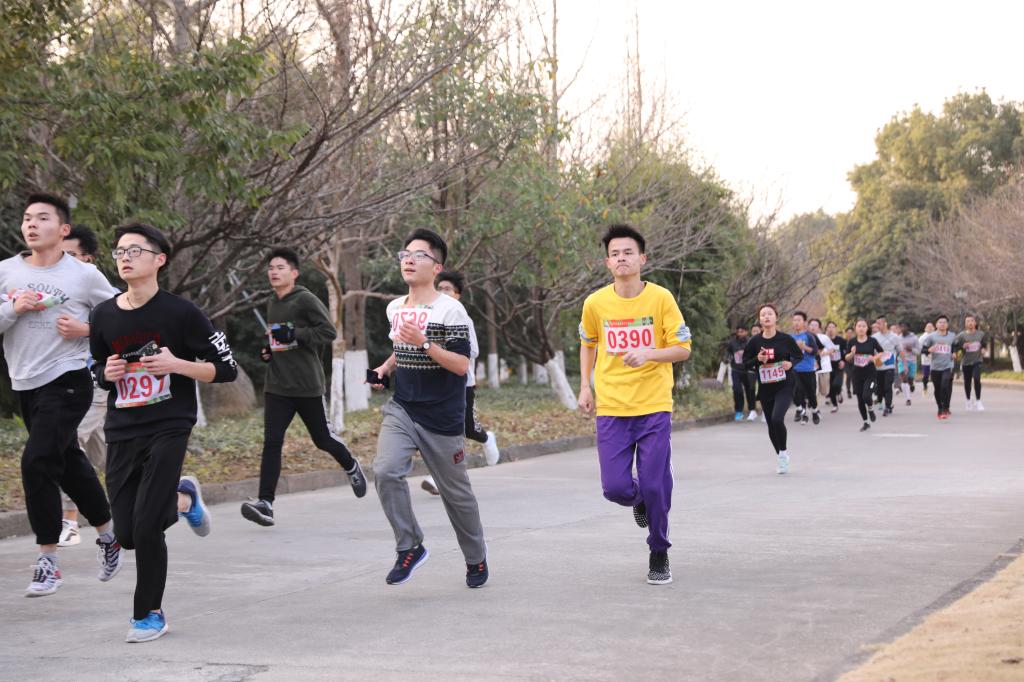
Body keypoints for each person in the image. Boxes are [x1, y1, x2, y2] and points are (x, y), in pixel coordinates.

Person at [90, 223, 238, 642]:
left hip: (169, 425)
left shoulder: (182, 314)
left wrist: (177, 365)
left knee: (148, 526)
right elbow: (97, 368)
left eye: (135, 250)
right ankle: (184, 497)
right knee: (127, 534)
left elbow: (226, 369)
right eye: (120, 251)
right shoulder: (102, 315)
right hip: (122, 427)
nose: (125, 257)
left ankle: (149, 614)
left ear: (160, 259)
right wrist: (106, 372)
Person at [0, 194, 122, 597]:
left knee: (37, 461)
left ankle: (48, 561)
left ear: (63, 229)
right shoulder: (6, 272)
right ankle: (109, 534)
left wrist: (87, 330)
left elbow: (121, 314)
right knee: (68, 462)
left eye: (42, 218)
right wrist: (14, 308)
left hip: (68, 379)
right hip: (25, 383)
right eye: (27, 218)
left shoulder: (83, 275)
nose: (32, 225)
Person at [368, 228, 489, 588]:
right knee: (386, 470)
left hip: (442, 417)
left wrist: (424, 344)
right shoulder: (395, 307)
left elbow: (461, 365)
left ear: (436, 267)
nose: (408, 260)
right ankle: (410, 546)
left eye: (419, 255)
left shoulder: (451, 310)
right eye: (405, 254)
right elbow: (400, 346)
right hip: (403, 408)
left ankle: (476, 558)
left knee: (456, 496)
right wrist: (384, 368)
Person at [577, 225, 692, 585]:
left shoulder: (661, 298)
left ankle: (659, 550)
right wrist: (584, 386)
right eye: (615, 254)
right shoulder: (595, 303)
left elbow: (683, 348)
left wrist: (649, 354)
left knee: (657, 484)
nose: (621, 258)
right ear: (607, 262)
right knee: (615, 488)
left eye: (628, 252)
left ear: (642, 258)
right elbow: (588, 343)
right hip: (612, 407)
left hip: (653, 404)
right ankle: (639, 498)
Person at [240, 247, 366, 526]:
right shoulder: (272, 302)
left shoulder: (305, 299)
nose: (274, 272)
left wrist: (293, 333)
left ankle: (350, 464)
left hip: (307, 385)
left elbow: (328, 332)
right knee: (272, 442)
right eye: (271, 268)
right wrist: (269, 351)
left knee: (322, 439)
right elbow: (279, 342)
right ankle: (265, 503)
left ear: (294, 273)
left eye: (280, 267)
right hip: (277, 386)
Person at [57, 225, 115, 547]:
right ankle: (179, 492)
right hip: (67, 384)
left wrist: (86, 329)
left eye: (71, 255)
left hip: (96, 382)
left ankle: (69, 521)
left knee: (67, 444)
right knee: (109, 458)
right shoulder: (56, 291)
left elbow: (126, 324)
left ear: (88, 259)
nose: (63, 261)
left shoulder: (99, 288)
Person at [421, 270, 501, 496]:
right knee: (443, 432)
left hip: (461, 384)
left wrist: (447, 351)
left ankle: (486, 438)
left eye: (448, 289)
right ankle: (439, 479)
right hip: (437, 384)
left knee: (467, 428)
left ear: (457, 295)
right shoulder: (431, 318)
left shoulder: (463, 318)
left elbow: (473, 350)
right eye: (440, 289)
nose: (443, 292)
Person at [743, 304, 801, 474]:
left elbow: (799, 356)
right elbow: (745, 363)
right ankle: (781, 455)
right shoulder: (755, 341)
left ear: (776, 317)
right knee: (770, 424)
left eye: (770, 314)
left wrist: (791, 363)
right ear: (759, 320)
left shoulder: (785, 339)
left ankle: (783, 454)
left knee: (777, 419)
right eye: (763, 315)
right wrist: (757, 359)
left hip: (784, 384)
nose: (766, 317)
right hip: (766, 387)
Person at [844, 319, 884, 432]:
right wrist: (852, 353)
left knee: (866, 395)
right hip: (857, 374)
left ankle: (870, 409)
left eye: (863, 326)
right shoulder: (852, 342)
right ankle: (866, 422)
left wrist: (874, 358)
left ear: (867, 328)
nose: (861, 328)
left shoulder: (872, 341)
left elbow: (881, 352)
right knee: (860, 399)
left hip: (870, 373)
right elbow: (846, 358)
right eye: (859, 326)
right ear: (855, 328)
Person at [921, 315, 956, 420]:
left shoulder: (952, 336)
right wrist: (929, 350)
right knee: (937, 388)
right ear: (936, 325)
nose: (942, 324)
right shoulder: (931, 337)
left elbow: (955, 346)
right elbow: (923, 350)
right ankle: (940, 408)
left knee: (945, 386)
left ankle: (945, 408)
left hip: (947, 366)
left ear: (947, 325)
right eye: (940, 322)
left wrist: (954, 352)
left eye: (944, 322)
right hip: (935, 367)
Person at [789, 311, 821, 425]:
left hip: (807, 369)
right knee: (796, 391)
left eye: (799, 320)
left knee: (811, 394)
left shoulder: (809, 336)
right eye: (794, 320)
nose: (796, 322)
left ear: (804, 323)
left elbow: (815, 351)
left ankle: (814, 411)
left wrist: (804, 347)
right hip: (794, 369)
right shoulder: (790, 337)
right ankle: (802, 411)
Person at [726, 324, 757, 422]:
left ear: (746, 332)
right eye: (738, 332)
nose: (740, 334)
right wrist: (729, 358)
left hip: (748, 369)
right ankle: (739, 411)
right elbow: (728, 352)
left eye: (742, 331)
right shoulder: (732, 342)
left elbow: (755, 353)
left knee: (749, 390)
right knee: (737, 390)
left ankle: (752, 410)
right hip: (736, 369)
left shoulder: (750, 342)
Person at [956, 314, 986, 411]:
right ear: (965, 324)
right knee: (967, 382)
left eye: (972, 321)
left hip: (977, 360)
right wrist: (962, 346)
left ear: (975, 322)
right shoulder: (961, 336)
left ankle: (978, 401)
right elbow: (955, 347)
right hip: (966, 362)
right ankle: (968, 400)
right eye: (968, 321)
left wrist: (983, 349)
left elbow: (984, 344)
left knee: (977, 379)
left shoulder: (980, 334)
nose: (970, 323)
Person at [871, 315, 900, 416]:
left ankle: (887, 407)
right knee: (880, 388)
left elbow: (900, 350)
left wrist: (903, 363)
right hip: (878, 366)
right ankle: (883, 402)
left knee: (888, 386)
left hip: (889, 366)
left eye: (879, 323)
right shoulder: (874, 337)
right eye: (877, 323)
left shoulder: (894, 337)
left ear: (885, 323)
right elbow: (871, 351)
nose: (877, 325)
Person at [825, 321, 847, 413]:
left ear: (836, 329)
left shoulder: (841, 340)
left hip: (839, 365)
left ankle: (839, 392)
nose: (831, 329)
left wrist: (843, 361)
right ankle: (835, 405)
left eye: (833, 327)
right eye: (829, 327)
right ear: (826, 329)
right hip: (828, 366)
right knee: (830, 386)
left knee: (836, 384)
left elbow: (846, 352)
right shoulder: (824, 340)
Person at [896, 324, 920, 407]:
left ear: (908, 328)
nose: (902, 329)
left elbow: (918, 351)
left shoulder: (914, 338)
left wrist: (911, 349)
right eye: (901, 327)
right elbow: (895, 350)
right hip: (901, 361)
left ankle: (911, 384)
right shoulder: (897, 338)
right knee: (904, 378)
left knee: (910, 379)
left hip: (912, 361)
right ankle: (908, 399)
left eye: (904, 327)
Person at [919, 322, 935, 395]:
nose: (930, 328)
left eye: (931, 327)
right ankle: (925, 386)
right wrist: (927, 352)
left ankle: (937, 388)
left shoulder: (936, 336)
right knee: (926, 375)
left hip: (935, 359)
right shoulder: (922, 338)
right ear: (925, 329)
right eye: (928, 327)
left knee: (935, 374)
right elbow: (920, 349)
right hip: (926, 359)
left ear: (934, 328)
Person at [843, 326, 856, 399]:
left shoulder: (855, 341)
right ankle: (848, 391)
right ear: (846, 333)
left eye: (851, 332)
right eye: (848, 333)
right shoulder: (844, 341)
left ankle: (854, 389)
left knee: (854, 376)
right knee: (848, 376)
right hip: (847, 362)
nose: (849, 334)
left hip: (855, 361)